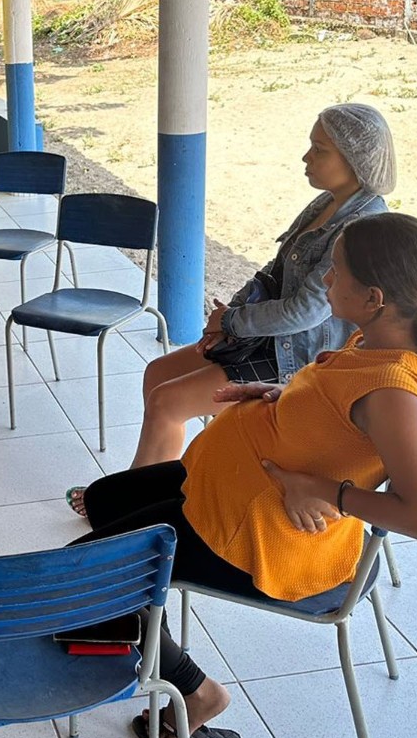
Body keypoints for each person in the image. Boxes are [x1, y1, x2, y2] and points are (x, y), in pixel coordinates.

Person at [70, 212, 417, 738]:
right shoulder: (373, 336)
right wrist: (277, 395)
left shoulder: (394, 391)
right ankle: (144, 612)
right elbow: (333, 413)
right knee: (107, 501)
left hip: (252, 534)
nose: (324, 281)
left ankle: (197, 693)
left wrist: (323, 490)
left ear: (373, 296)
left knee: (81, 578)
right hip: (221, 490)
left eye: (334, 272)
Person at [73, 104, 395, 500]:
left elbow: (305, 312)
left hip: (295, 358)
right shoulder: (326, 203)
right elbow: (273, 272)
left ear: (354, 159)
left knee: (167, 402)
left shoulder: (361, 226)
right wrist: (224, 317)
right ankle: (156, 488)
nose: (306, 157)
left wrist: (232, 323)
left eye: (319, 149)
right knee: (158, 373)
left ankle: (130, 503)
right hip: (267, 338)